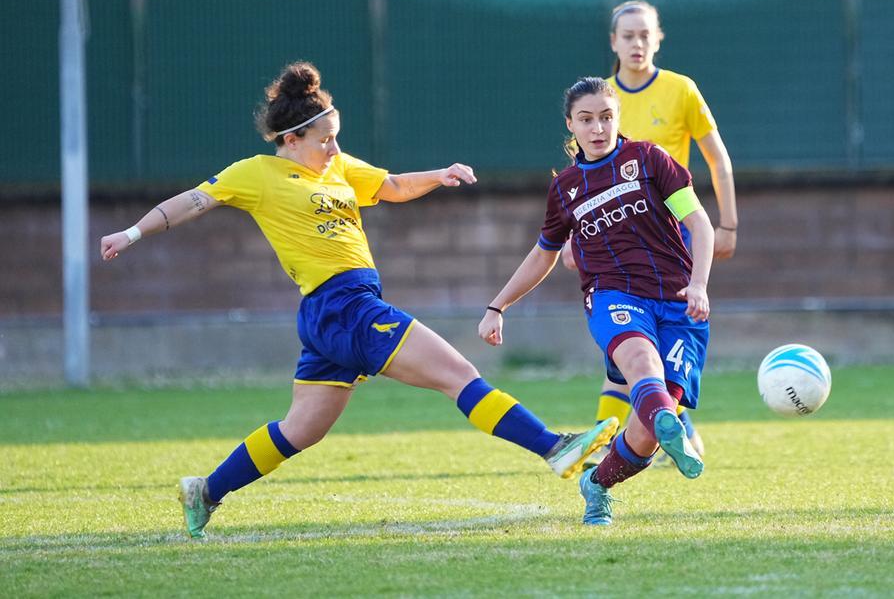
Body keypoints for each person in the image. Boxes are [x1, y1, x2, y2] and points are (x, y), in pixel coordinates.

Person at [99, 62, 618, 539]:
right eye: (325, 140)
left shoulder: (337, 167)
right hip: (345, 308)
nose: (333, 149)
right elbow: (193, 201)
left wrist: (437, 176)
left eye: (336, 138)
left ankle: (205, 492)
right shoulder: (256, 173)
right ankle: (554, 447)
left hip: (335, 315)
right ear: (292, 138)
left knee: (301, 429)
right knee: (458, 375)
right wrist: (132, 233)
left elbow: (389, 185)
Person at [480, 77, 716, 526]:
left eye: (606, 117)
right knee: (642, 364)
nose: (598, 128)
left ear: (618, 118)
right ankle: (673, 425)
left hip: (679, 300)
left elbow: (700, 225)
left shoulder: (649, 159)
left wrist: (700, 284)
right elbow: (543, 254)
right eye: (586, 120)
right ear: (571, 125)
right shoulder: (565, 188)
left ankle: (598, 484)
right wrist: (498, 305)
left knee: (644, 434)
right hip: (613, 297)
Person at [564, 0, 738, 460]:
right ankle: (619, 438)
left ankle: (665, 419)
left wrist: (728, 223)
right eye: (628, 35)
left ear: (658, 39)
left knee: (659, 342)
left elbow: (717, 158)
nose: (637, 43)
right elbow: (580, 179)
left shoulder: (681, 90)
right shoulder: (601, 101)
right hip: (612, 240)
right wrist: (569, 237)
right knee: (627, 341)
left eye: (645, 34)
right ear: (613, 42)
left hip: (671, 235)